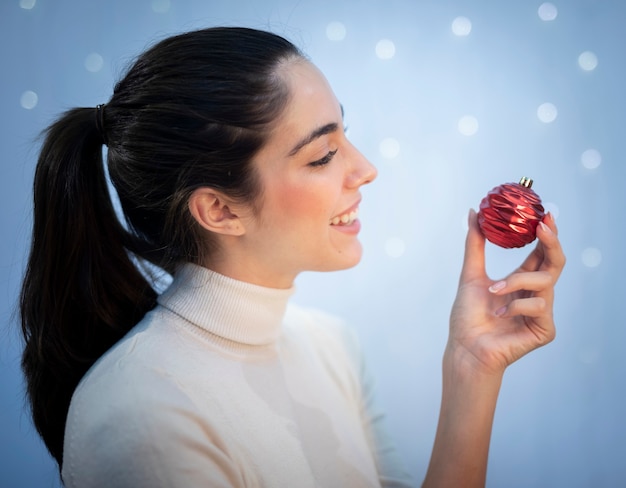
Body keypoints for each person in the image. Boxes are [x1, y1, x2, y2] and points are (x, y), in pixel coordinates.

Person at [19, 27, 565, 487]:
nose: (366, 168)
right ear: (219, 209)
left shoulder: (332, 346)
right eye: (323, 155)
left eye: (344, 134)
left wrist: (472, 369)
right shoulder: (140, 416)